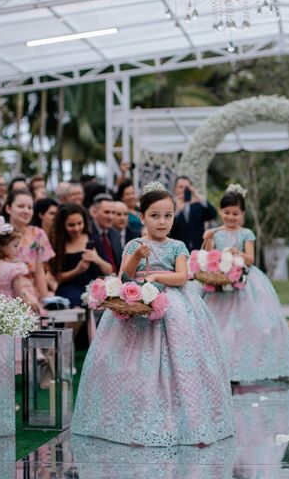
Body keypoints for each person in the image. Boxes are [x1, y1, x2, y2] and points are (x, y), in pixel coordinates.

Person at [72, 182, 235, 446]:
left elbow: (182, 276)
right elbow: (124, 275)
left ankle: (183, 419)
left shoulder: (177, 246)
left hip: (173, 306)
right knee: (133, 363)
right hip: (136, 305)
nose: (162, 222)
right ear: (143, 217)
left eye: (168, 216)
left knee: (178, 362)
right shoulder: (134, 243)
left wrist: (158, 276)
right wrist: (137, 256)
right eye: (155, 216)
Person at [201, 184, 289, 381]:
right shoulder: (215, 233)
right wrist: (208, 240)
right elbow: (209, 255)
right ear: (220, 211)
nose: (230, 217)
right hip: (219, 280)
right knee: (219, 324)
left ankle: (242, 364)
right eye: (226, 212)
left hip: (244, 279)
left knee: (244, 325)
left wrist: (239, 254)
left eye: (235, 213)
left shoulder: (246, 233)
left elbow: (251, 259)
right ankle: (218, 363)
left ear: (242, 213)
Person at [52, 203, 112, 307]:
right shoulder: (59, 244)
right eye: (71, 225)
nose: (76, 228)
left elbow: (109, 269)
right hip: (70, 291)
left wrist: (97, 259)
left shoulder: (93, 240)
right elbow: (57, 277)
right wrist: (77, 270)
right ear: (63, 225)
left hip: (95, 288)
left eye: (79, 223)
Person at [2, 189, 54, 300]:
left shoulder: (38, 234)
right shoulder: (0, 234)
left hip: (32, 291)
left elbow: (39, 272)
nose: (26, 211)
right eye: (21, 206)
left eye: (30, 207)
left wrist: (46, 300)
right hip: (5, 291)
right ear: (8, 208)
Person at [0, 215, 40, 314]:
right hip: (10, 310)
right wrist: (28, 305)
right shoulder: (12, 269)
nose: (17, 250)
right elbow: (19, 295)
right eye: (15, 246)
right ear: (2, 246)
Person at [170, 176, 217, 251]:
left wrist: (197, 196)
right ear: (175, 189)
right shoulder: (170, 205)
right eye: (181, 187)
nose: (183, 190)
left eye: (186, 187)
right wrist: (177, 211)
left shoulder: (198, 205)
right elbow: (168, 228)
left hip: (198, 249)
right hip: (178, 250)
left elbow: (213, 214)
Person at [89, 193, 122, 272]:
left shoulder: (115, 234)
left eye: (113, 213)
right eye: (106, 212)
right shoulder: (87, 232)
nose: (110, 217)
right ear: (94, 212)